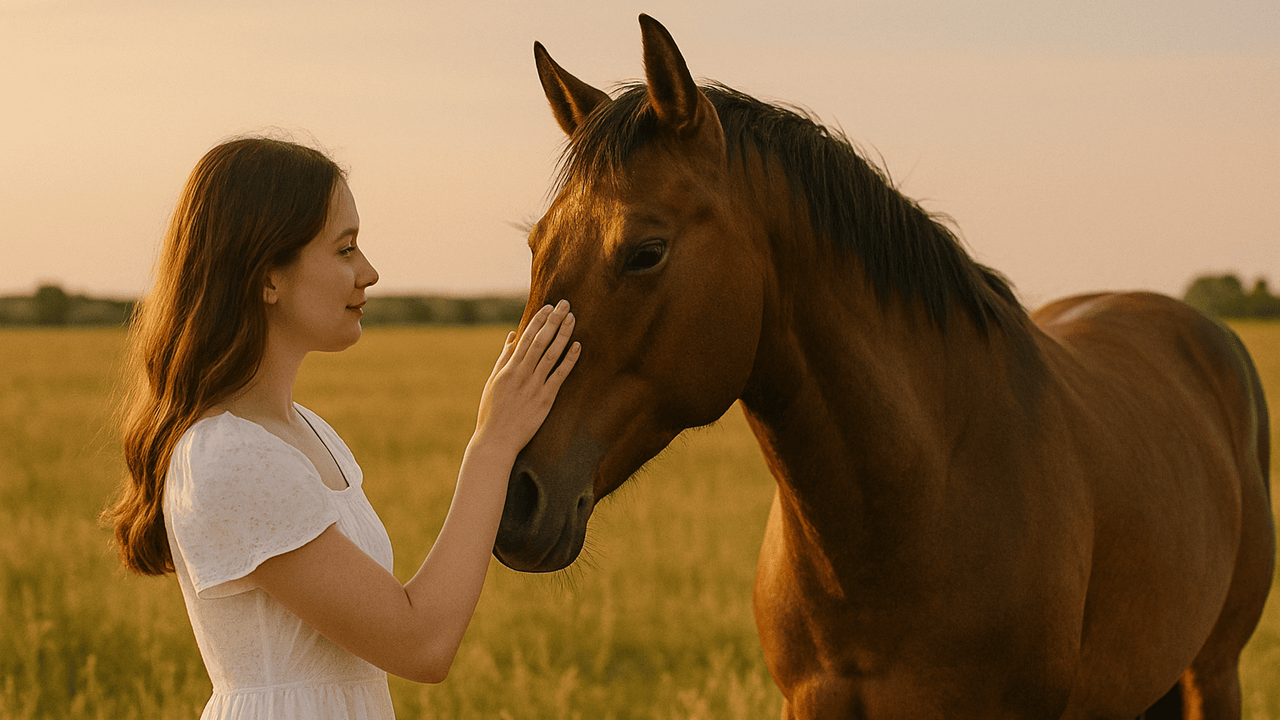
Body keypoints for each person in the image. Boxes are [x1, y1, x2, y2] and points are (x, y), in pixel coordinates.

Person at [103, 136, 580, 719]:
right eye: (345, 249)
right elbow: (422, 643)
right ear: (268, 277)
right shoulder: (229, 456)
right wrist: (493, 443)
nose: (370, 272)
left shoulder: (307, 433)